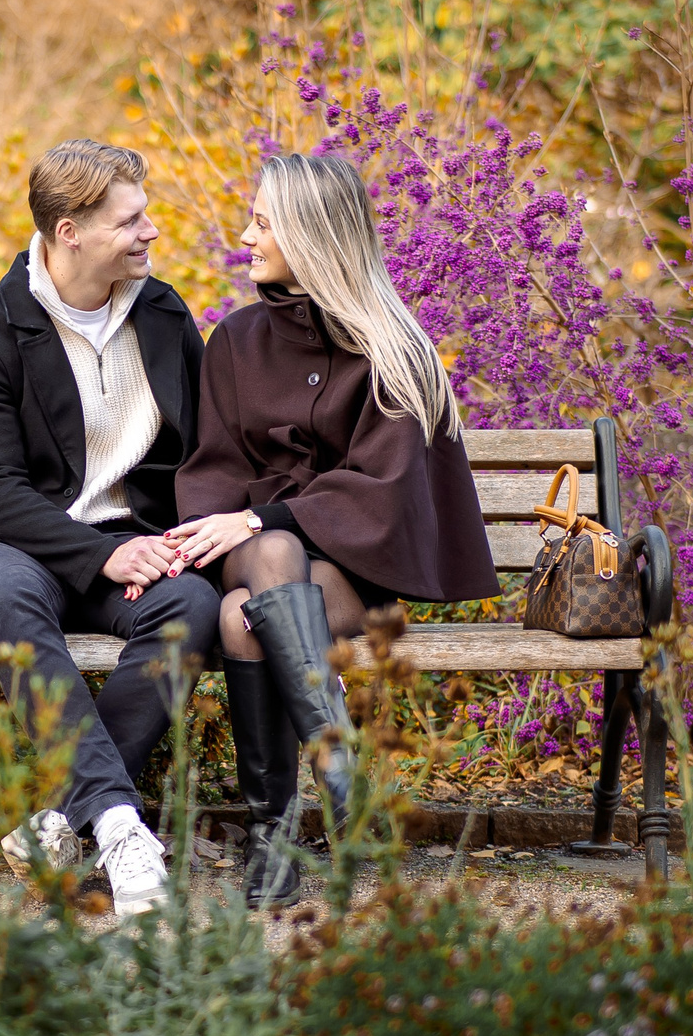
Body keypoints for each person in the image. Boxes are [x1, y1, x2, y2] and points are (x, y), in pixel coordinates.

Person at [0, 139, 220, 916]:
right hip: (8, 544)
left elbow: (205, 446)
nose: (151, 232)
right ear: (69, 231)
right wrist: (102, 557)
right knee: (3, 591)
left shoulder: (164, 316)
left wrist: (197, 537)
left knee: (191, 608)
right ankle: (116, 820)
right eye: (130, 220)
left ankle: (62, 820)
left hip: (124, 542)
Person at [167, 152, 500, 905]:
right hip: (256, 556)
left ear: (312, 235)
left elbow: (386, 492)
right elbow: (214, 466)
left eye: (263, 221)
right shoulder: (236, 341)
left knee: (240, 615)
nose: (245, 235)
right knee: (269, 555)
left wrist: (265, 514)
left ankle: (274, 843)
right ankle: (334, 757)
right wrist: (242, 519)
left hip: (361, 569)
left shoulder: (392, 349)